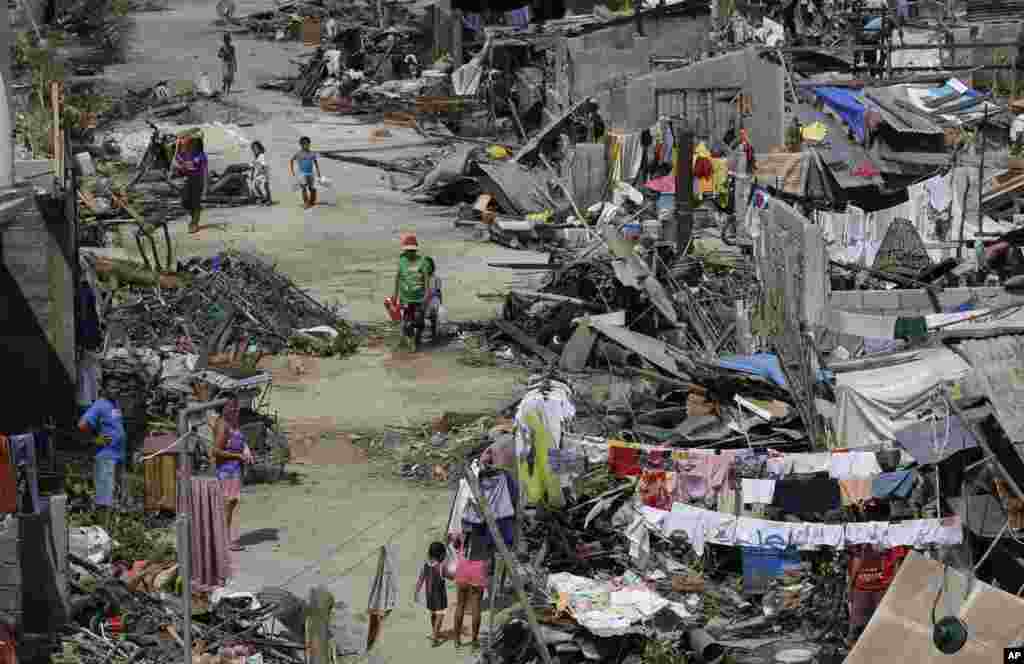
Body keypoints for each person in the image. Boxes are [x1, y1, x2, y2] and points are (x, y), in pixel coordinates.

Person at [78, 375, 126, 517]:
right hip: (106, 457)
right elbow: (82, 424)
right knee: (104, 499)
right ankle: (102, 530)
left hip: (118, 457)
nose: (115, 390)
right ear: (104, 389)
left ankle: (112, 530)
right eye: (112, 387)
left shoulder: (115, 404)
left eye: (117, 387)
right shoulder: (99, 404)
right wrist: (95, 440)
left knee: (116, 496)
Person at [212, 394, 251, 551]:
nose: (236, 409)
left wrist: (246, 450)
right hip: (227, 470)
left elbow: (239, 440)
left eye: (236, 405)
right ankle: (224, 540)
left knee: (231, 503)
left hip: (234, 469)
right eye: (231, 406)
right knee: (227, 504)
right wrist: (238, 456)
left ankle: (224, 538)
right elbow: (215, 451)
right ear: (223, 408)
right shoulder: (223, 425)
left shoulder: (232, 422)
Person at [392, 233, 435, 349]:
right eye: (408, 251)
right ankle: (411, 341)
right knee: (407, 322)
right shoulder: (401, 261)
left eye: (412, 250)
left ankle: (418, 336)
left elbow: (426, 278)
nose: (410, 253)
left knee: (418, 321)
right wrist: (395, 295)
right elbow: (398, 277)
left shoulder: (422, 262)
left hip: (420, 298)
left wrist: (427, 294)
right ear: (404, 251)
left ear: (416, 250)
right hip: (406, 298)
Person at [414, 542, 449, 646]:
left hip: (429, 595)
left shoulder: (426, 565)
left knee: (433, 614)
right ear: (441, 555)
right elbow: (449, 575)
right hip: (439, 594)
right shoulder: (441, 567)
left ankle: (435, 632)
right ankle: (435, 636)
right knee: (440, 615)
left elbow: (421, 579)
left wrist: (416, 591)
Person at [177, 135, 208, 233]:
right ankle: (195, 215)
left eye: (195, 144)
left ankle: (194, 223)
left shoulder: (201, 156)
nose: (193, 145)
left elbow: (205, 172)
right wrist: (180, 168)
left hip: (198, 181)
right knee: (184, 202)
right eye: (192, 144)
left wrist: (205, 189)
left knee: (195, 203)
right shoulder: (186, 154)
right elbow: (181, 164)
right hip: (188, 180)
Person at [289, 136, 321, 209]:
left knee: (312, 188)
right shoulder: (298, 154)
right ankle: (306, 202)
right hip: (302, 174)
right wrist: (292, 171)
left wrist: (318, 172)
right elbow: (292, 160)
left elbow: (316, 163)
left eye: (307, 144)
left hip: (310, 173)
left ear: (309, 144)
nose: (306, 146)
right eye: (304, 144)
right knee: (304, 189)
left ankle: (312, 201)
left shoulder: (312, 153)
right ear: (301, 145)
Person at [248, 140, 271, 205]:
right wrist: (252, 175)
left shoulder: (262, 156)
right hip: (259, 174)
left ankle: (269, 199)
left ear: (260, 148)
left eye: (256, 148)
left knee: (265, 186)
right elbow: (252, 167)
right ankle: (263, 197)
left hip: (264, 173)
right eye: (254, 149)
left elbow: (265, 165)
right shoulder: (255, 157)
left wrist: (265, 173)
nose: (255, 150)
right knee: (256, 186)